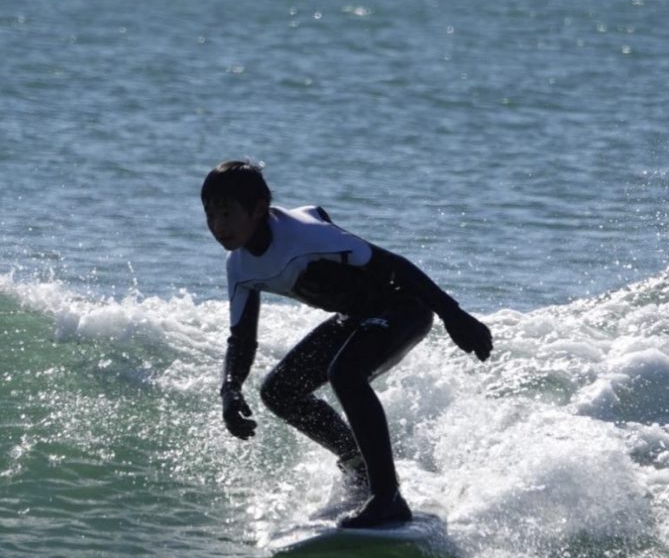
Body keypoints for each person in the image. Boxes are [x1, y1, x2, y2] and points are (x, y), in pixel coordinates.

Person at [201, 160, 493, 528]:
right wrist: (230, 388)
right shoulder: (240, 266)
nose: (218, 226)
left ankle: (387, 496)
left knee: (346, 373)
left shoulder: (306, 236)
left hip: (403, 306)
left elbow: (395, 265)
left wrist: (455, 315)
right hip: (356, 316)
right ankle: (359, 468)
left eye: (226, 214)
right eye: (210, 215)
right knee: (280, 391)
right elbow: (242, 337)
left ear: (258, 209)